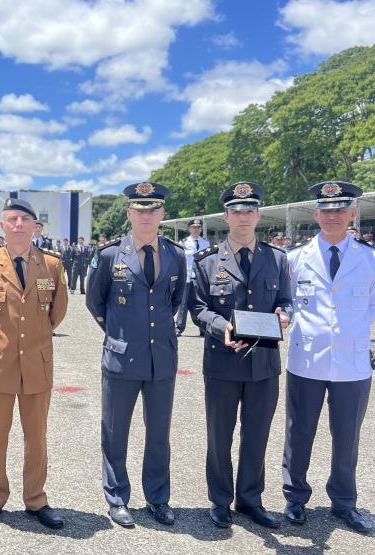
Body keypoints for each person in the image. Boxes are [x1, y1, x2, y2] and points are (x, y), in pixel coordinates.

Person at [282, 181, 375, 534]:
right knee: (299, 433)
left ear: (352, 213)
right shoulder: (295, 258)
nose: (332, 215)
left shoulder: (372, 257)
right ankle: (295, 497)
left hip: (352, 364)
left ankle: (344, 503)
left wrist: (344, 334)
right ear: (315, 214)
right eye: (326, 210)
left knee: (347, 436)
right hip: (306, 360)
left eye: (340, 209)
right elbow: (288, 303)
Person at [86, 182, 186, 528]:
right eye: (140, 210)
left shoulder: (176, 254)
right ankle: (117, 497)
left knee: (159, 433)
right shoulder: (111, 254)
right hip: (122, 357)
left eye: (153, 209)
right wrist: (118, 334)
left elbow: (175, 301)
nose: (146, 215)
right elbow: (95, 302)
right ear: (129, 214)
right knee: (116, 431)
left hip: (161, 359)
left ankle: (158, 498)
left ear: (162, 214)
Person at [193, 182, 293, 529]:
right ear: (226, 216)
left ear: (258, 215)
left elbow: (286, 300)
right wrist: (221, 325)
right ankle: (220, 500)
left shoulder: (277, 259)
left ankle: (250, 499)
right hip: (222, 362)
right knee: (219, 436)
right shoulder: (206, 262)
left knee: (257, 435)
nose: (243, 217)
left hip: (263, 364)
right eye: (236, 211)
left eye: (249, 210)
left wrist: (284, 314)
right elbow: (199, 307)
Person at [0, 198, 68, 530]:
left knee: (36, 436)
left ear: (35, 227)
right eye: (13, 219)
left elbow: (57, 312)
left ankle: (36, 499)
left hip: (37, 365)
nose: (20, 225)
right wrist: (2, 340)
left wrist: (32, 339)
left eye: (26, 220)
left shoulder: (52, 265)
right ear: (3, 226)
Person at [176, 219, 210, 336]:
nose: (196, 230)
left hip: (201, 279)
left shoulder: (206, 243)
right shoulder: (183, 243)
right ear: (189, 229)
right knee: (183, 304)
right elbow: (179, 260)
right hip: (187, 277)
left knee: (201, 303)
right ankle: (179, 328)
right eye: (194, 227)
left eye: (198, 228)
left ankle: (203, 328)